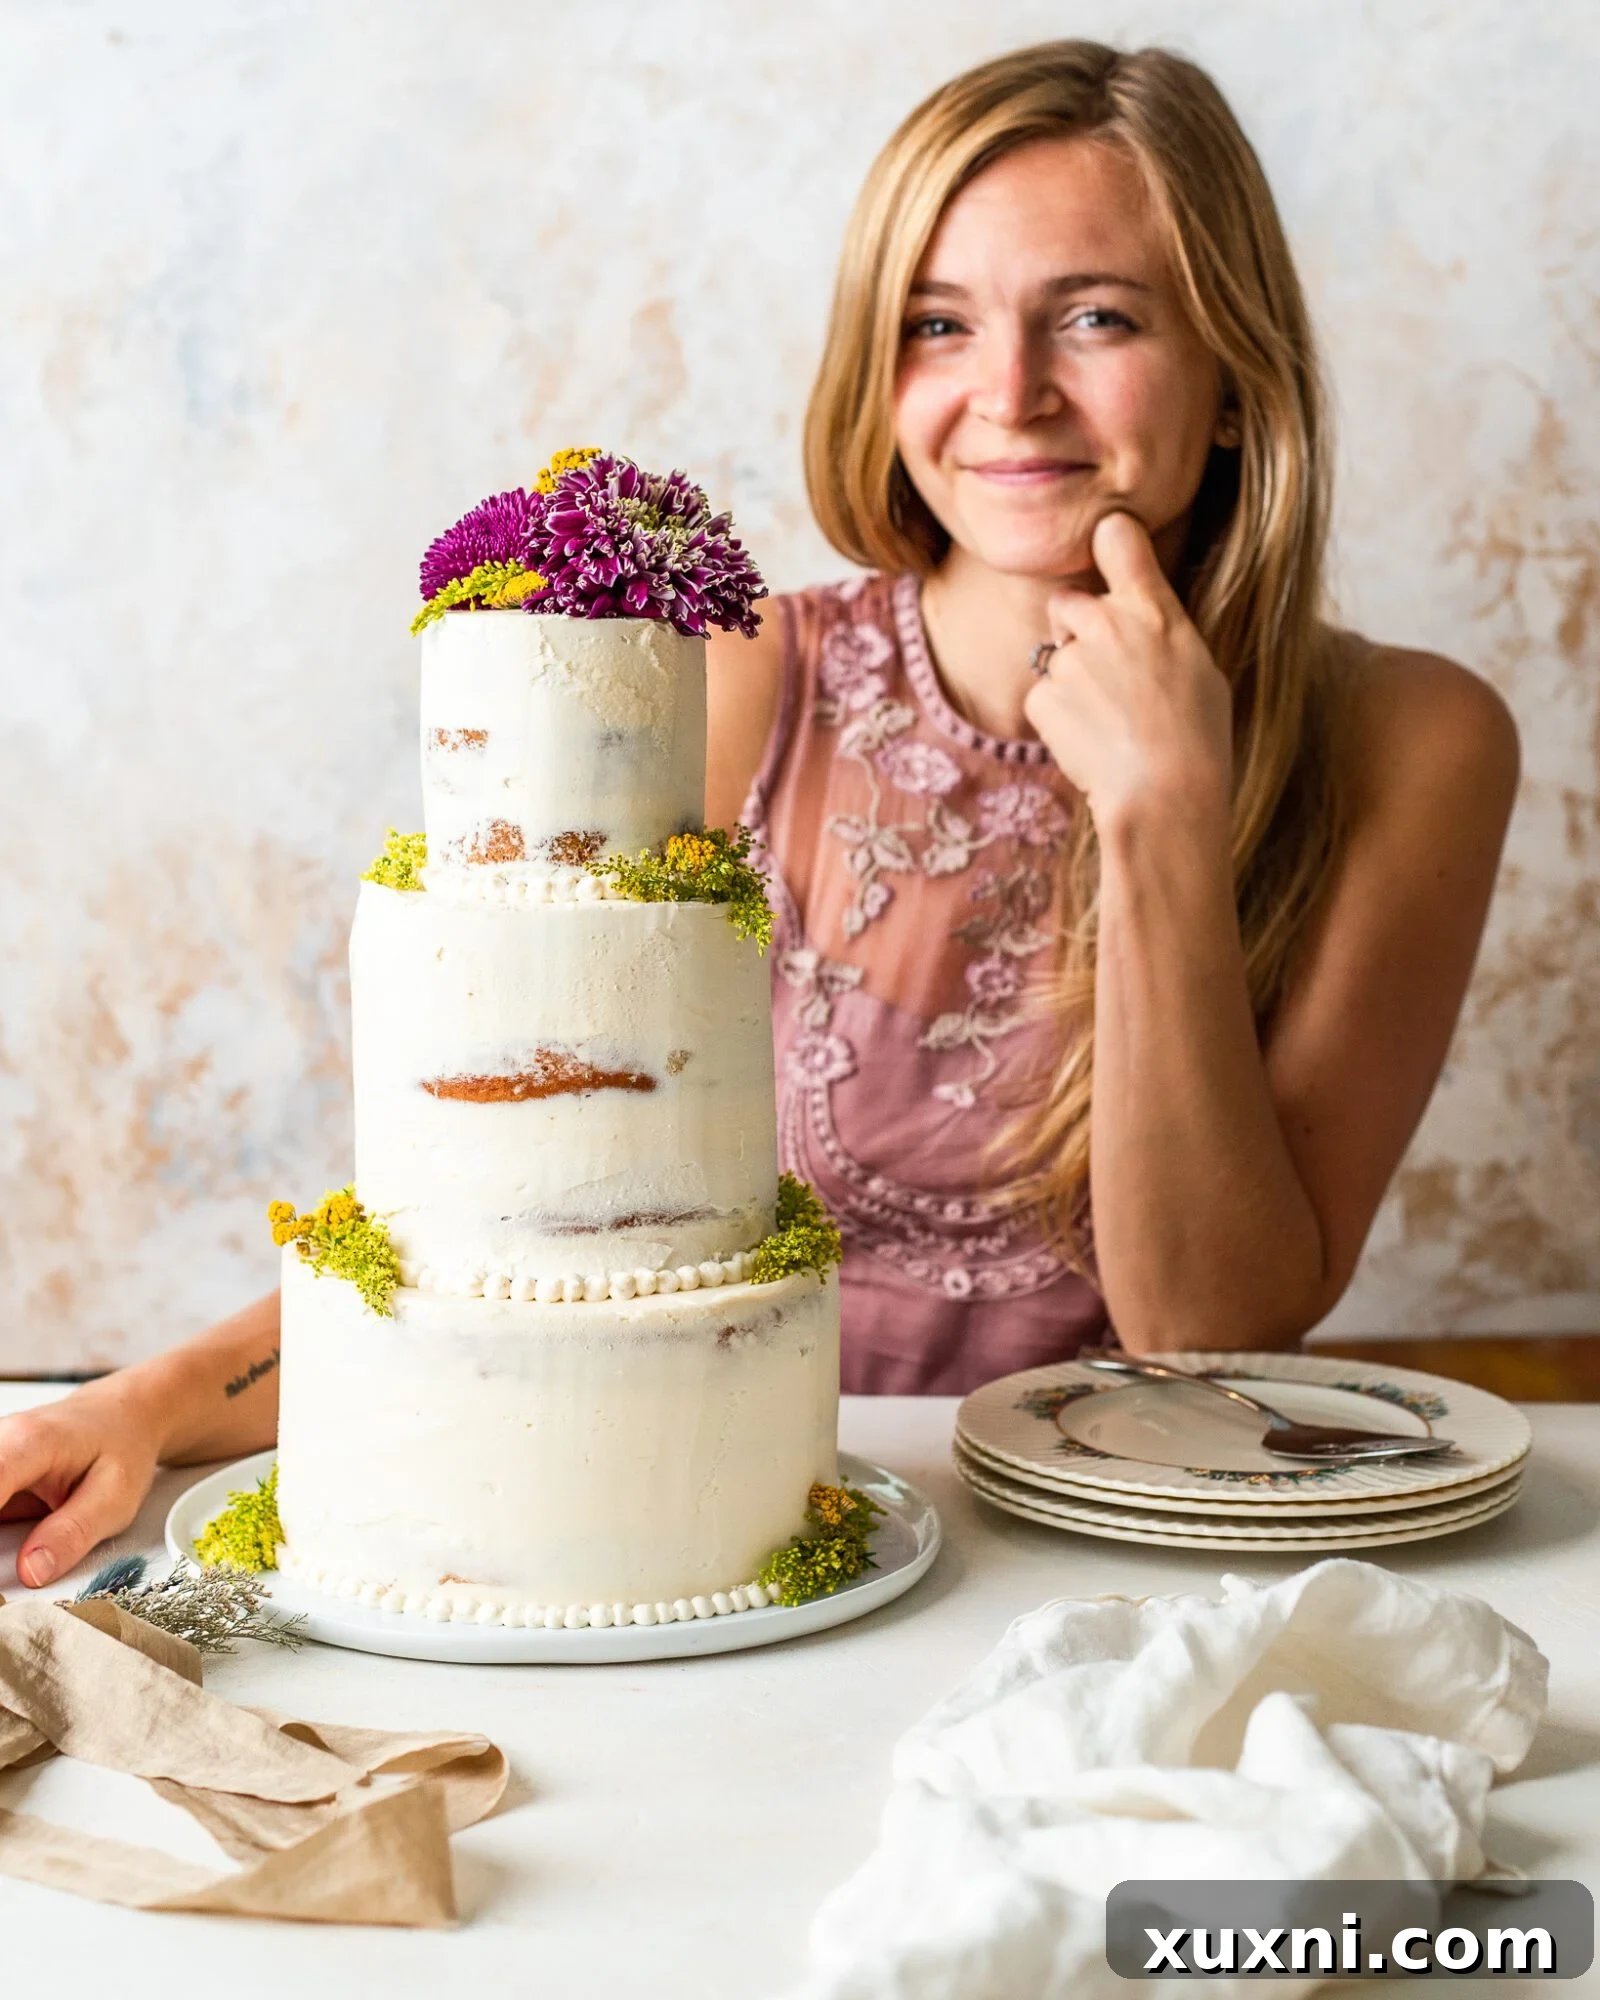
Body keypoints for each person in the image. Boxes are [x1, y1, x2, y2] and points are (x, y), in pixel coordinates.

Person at [0, 40, 1517, 1587]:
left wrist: (1163, 821)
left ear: (1231, 381)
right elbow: (507, 1252)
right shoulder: (741, 680)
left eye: (1098, 316)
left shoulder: (1412, 741)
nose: (1009, 394)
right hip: (708, 1541)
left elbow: (1214, 1331)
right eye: (940, 324)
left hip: (1118, 1570)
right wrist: (142, 1403)